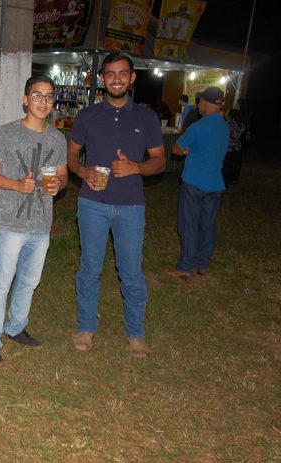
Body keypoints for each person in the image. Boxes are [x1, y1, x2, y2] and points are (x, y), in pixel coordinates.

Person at [67, 52, 165, 359]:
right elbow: (71, 155)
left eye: (123, 73)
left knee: (131, 270)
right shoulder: (87, 116)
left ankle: (136, 333)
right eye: (110, 74)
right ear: (102, 79)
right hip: (92, 202)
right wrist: (82, 171)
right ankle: (86, 326)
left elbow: (159, 161)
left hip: (131, 206)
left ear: (132, 78)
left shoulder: (146, 117)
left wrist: (136, 167)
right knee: (90, 268)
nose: (117, 79)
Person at [0, 75, 68, 367]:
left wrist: (59, 185)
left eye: (49, 96)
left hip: (41, 225)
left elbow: (63, 174)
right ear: (25, 99)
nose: (43, 102)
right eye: (37, 95)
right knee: (1, 283)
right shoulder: (7, 133)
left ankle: (16, 326)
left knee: (29, 281)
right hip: (9, 225)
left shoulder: (57, 138)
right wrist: (16, 185)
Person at [169, 86, 229, 279]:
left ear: (207, 103)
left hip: (194, 182)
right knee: (208, 225)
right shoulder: (224, 127)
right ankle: (202, 263)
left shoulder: (198, 127)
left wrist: (185, 150)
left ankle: (185, 267)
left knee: (189, 225)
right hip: (215, 183)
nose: (198, 105)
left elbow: (176, 148)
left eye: (201, 101)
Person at [222, 100, 244, 185]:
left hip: (229, 147)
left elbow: (227, 135)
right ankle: (233, 178)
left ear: (230, 115)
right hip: (237, 147)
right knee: (235, 164)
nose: (225, 114)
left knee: (226, 164)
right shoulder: (239, 123)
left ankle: (226, 180)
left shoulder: (228, 123)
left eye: (227, 113)